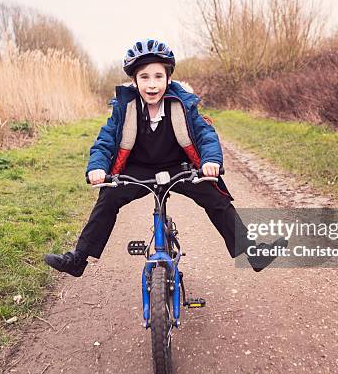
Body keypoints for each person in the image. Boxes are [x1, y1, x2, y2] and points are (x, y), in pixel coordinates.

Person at [44, 39, 279, 277]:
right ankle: (78, 259)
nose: (152, 84)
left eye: (158, 76)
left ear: (168, 79)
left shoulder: (183, 104)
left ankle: (253, 252)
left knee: (214, 197)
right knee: (108, 198)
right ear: (134, 82)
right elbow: (105, 142)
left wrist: (211, 162)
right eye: (144, 77)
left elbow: (205, 134)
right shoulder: (125, 108)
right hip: (138, 169)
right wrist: (97, 167)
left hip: (179, 168)